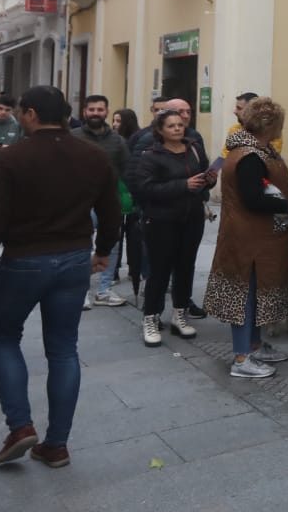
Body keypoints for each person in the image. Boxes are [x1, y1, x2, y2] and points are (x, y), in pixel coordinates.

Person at [0, 86, 121, 469]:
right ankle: (57, 444)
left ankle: (20, 426)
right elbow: (113, 210)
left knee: (3, 338)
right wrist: (103, 252)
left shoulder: (14, 158)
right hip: (72, 261)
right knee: (64, 349)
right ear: (67, 116)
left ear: (30, 114)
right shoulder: (93, 155)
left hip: (24, 261)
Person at [204, 97, 288, 379]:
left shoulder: (253, 149)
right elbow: (253, 198)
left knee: (255, 293)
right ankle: (242, 357)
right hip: (248, 239)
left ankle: (254, 346)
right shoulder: (249, 155)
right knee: (244, 296)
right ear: (270, 125)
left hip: (256, 237)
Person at [126, 108, 213, 347]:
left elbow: (203, 172)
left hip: (192, 217)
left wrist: (208, 180)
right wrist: (183, 185)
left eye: (180, 125)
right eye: (171, 126)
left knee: (186, 267)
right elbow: (145, 189)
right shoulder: (151, 155)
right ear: (160, 130)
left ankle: (180, 314)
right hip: (161, 219)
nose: (177, 128)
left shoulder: (193, 147)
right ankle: (151, 318)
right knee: (160, 270)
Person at [74, 95, 130, 309]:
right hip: (80, 201)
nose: (95, 113)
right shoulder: (74, 137)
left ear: (107, 112)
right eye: (92, 109)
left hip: (109, 201)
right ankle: (82, 291)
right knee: (82, 246)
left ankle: (104, 290)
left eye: (100, 109)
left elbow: (128, 170)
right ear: (85, 112)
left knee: (112, 245)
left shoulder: (118, 141)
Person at [112, 108, 146, 296]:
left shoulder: (136, 140)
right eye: (114, 120)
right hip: (116, 192)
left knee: (134, 235)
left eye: (118, 121)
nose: (115, 124)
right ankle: (114, 269)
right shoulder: (113, 140)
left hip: (131, 191)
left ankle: (134, 269)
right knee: (115, 233)